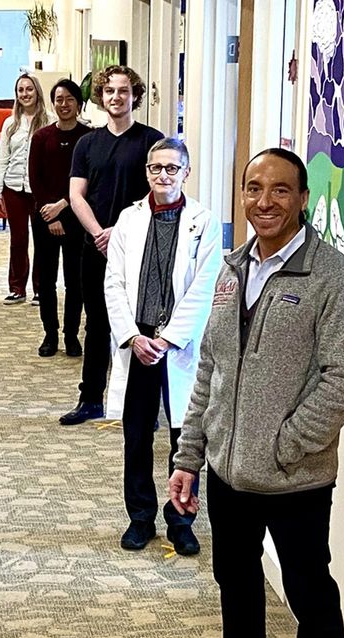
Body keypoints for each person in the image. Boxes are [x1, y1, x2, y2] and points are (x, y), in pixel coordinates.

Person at [168, 148, 344, 638]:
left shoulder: (335, 281)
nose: (265, 201)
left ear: (303, 199)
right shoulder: (233, 269)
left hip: (294, 480)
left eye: (280, 190)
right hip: (226, 475)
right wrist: (189, 455)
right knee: (236, 591)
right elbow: (210, 365)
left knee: (310, 597)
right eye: (254, 188)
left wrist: (283, 445)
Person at [102, 138, 222, 555]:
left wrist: (169, 339)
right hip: (138, 344)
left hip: (178, 347)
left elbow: (204, 287)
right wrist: (134, 337)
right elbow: (113, 283)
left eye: (172, 168)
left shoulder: (204, 223)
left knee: (183, 438)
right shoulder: (128, 220)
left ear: (186, 172)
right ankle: (139, 518)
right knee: (136, 437)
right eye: (156, 168)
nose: (163, 176)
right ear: (147, 172)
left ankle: (181, 521)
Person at [59, 65, 164, 426]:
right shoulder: (87, 143)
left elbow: (159, 193)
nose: (116, 97)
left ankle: (142, 405)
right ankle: (91, 398)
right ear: (100, 98)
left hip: (140, 247)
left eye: (123, 91)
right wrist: (99, 232)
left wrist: (118, 232)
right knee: (98, 323)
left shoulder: (152, 141)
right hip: (96, 247)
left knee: (141, 325)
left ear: (134, 95)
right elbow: (76, 194)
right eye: (109, 92)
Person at [28, 78, 91, 353]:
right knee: (48, 279)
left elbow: (89, 180)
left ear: (79, 104)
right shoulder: (42, 137)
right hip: (44, 218)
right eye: (59, 99)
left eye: (69, 99)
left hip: (77, 217)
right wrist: (50, 216)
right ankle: (50, 334)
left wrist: (63, 207)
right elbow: (35, 180)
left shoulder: (88, 138)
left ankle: (71, 334)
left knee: (75, 280)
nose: (63, 105)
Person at [0, 73, 51, 306]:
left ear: (37, 92)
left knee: (42, 240)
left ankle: (40, 288)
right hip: (13, 187)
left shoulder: (49, 120)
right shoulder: (10, 123)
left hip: (40, 191)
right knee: (18, 239)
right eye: (20, 90)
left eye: (29, 89)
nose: (25, 94)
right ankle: (17, 288)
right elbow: (1, 159)